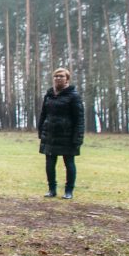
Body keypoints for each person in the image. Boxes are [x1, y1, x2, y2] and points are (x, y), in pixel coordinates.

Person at [37, 67, 84, 199]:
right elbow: (43, 114)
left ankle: (69, 191)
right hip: (50, 135)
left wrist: (78, 137)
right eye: (56, 76)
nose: (58, 78)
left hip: (67, 136)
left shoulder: (73, 96)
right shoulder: (49, 95)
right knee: (50, 163)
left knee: (69, 163)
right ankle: (52, 189)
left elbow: (79, 119)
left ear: (67, 79)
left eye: (61, 76)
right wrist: (41, 130)